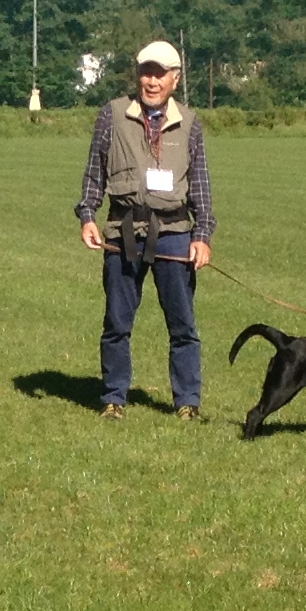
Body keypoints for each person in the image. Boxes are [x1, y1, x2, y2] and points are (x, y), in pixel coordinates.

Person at [75, 39, 215, 418]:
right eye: (145, 72)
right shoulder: (113, 115)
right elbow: (94, 172)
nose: (151, 81)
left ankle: (188, 402)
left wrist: (202, 236)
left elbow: (200, 184)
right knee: (117, 323)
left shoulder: (190, 122)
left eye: (160, 74)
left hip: (173, 232)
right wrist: (88, 215)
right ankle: (114, 398)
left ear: (175, 79)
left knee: (183, 325)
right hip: (123, 231)